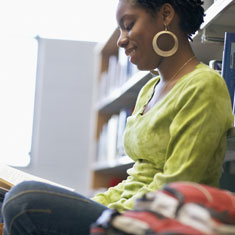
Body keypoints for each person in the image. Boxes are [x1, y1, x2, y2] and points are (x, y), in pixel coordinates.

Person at [1, 0, 234, 234]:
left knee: (23, 201)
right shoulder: (149, 89)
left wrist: (105, 215)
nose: (121, 40)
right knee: (8, 200)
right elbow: (135, 179)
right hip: (126, 211)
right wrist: (88, 203)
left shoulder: (204, 85)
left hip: (157, 219)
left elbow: (177, 185)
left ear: (165, 14)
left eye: (129, 25)